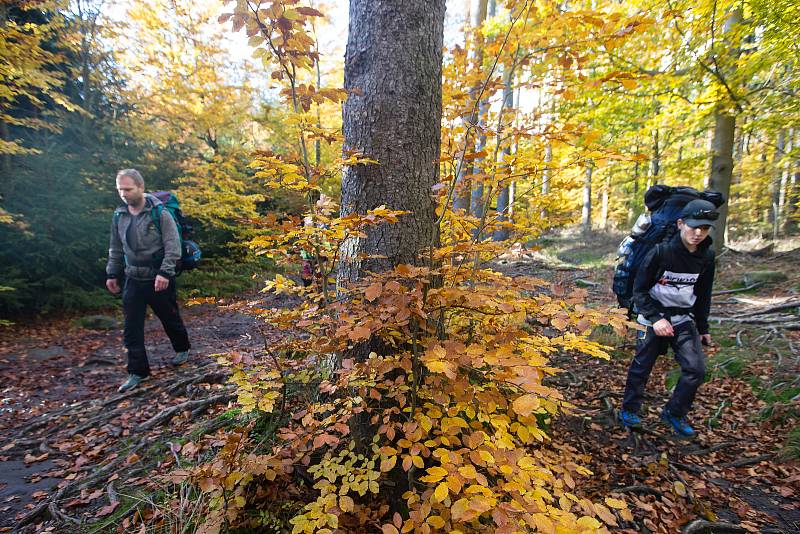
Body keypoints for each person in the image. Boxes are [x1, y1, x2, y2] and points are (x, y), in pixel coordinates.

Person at [618, 199, 718, 438]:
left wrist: (703, 327)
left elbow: (703, 294)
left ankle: (674, 413)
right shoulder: (661, 252)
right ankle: (629, 410)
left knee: (695, 371)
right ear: (681, 223)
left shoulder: (707, 257)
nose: (697, 233)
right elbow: (639, 291)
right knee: (642, 367)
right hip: (652, 317)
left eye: (704, 228)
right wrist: (655, 319)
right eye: (693, 226)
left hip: (683, 319)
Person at [106, 169, 191, 392]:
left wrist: (165, 273)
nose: (123, 194)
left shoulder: (159, 213)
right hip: (132, 277)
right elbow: (116, 247)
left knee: (169, 317)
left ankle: (182, 348)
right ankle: (138, 371)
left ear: (141, 188)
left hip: (158, 276)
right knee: (131, 327)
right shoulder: (119, 215)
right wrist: (112, 274)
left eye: (128, 189)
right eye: (120, 189)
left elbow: (173, 246)